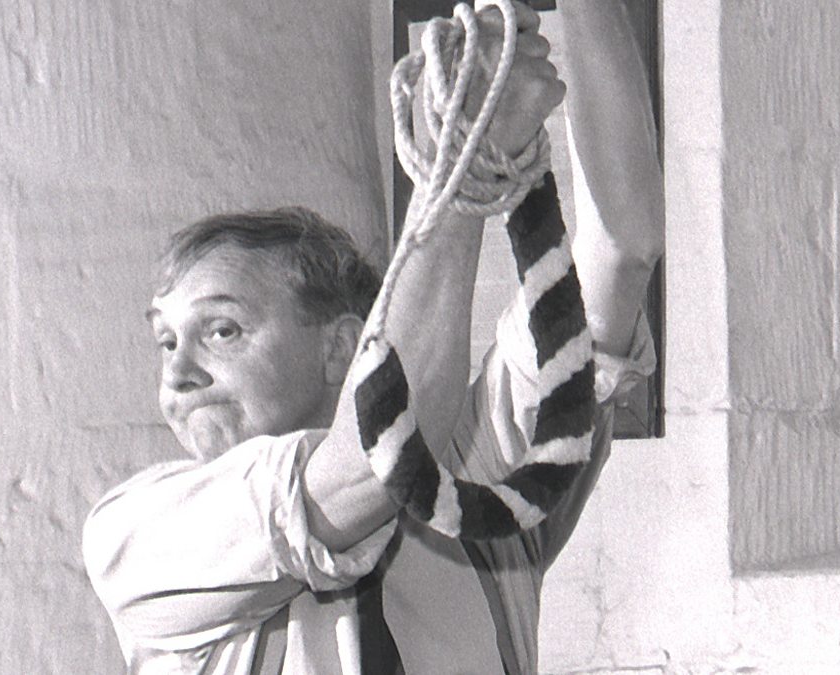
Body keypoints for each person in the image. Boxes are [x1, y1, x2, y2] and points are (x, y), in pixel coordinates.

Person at [82, 1, 663, 673]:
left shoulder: (476, 480)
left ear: (340, 347)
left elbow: (621, 251)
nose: (179, 372)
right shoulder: (140, 537)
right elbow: (380, 462)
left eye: (222, 330)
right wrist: (465, 153)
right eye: (166, 341)